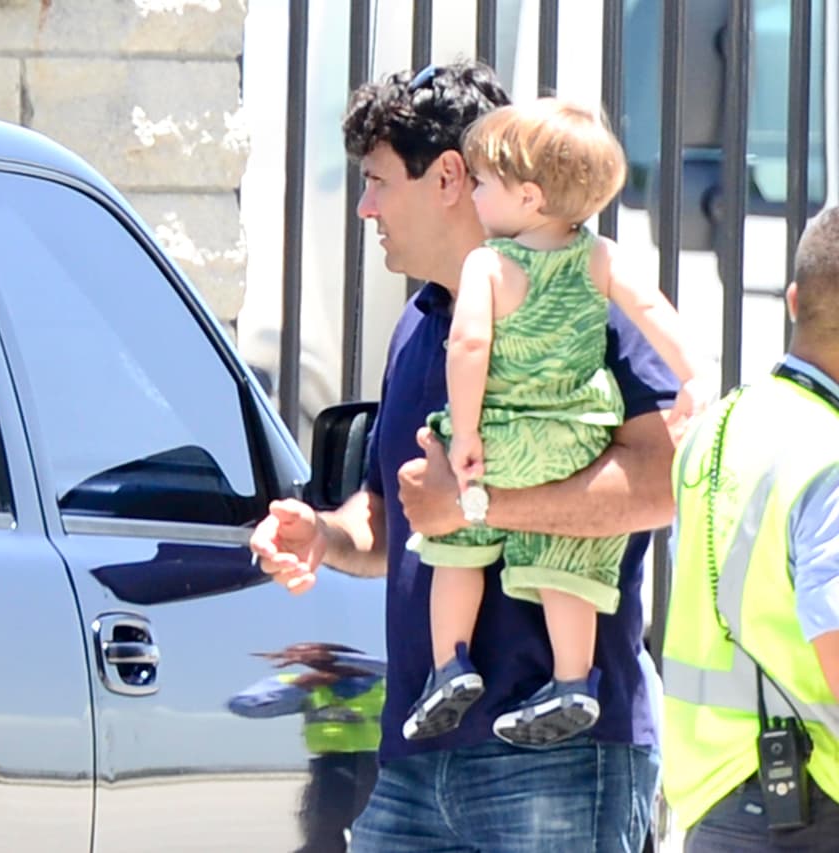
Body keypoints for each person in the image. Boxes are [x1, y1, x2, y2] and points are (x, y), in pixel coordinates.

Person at [249, 62, 677, 851]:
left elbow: (662, 481)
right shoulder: (419, 324)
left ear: (449, 176)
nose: (364, 206)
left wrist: (478, 506)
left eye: (377, 181)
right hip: (413, 762)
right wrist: (324, 534)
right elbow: (398, 508)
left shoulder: (584, 299)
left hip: (559, 760)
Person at [404, 98, 711, 746]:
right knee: (562, 557)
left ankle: (448, 664)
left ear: (531, 197)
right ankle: (574, 678)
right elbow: (652, 308)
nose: (476, 195)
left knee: (456, 542)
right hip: (578, 436)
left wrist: (464, 436)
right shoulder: (598, 256)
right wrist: (696, 378)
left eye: (485, 183)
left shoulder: (489, 264)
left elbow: (467, 348)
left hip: (507, 437)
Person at [662, 207, 839, 849]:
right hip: (816, 803)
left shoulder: (721, 423)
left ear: (794, 300)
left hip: (717, 800)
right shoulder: (830, 455)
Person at [228, 643, 385, 853]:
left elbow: (393, 668)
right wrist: (301, 686)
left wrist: (339, 659)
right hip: (331, 772)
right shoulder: (311, 686)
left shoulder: (385, 684)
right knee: (322, 843)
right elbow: (243, 705)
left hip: (379, 770)